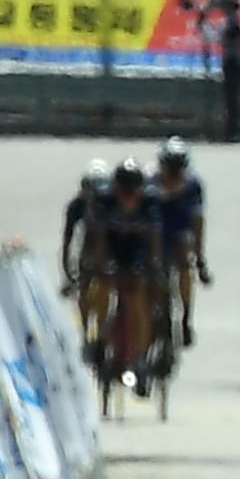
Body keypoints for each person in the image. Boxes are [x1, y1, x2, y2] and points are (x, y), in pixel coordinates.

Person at [82, 160, 168, 393]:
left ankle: (139, 357)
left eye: (133, 192)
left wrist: (154, 267)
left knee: (138, 297)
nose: (128, 196)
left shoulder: (150, 202)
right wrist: (100, 266)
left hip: (137, 248)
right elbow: (98, 240)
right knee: (101, 287)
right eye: (123, 191)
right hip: (111, 245)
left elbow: (154, 241)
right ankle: (99, 338)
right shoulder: (103, 200)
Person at [150, 137, 211, 348]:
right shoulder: (151, 182)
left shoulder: (193, 185)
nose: (173, 174)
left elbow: (198, 221)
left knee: (185, 261)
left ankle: (185, 317)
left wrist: (200, 259)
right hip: (157, 231)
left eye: (178, 168)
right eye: (170, 167)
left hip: (179, 231)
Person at [59, 156, 113, 355]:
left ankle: (105, 331)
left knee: (107, 289)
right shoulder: (76, 206)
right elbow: (68, 242)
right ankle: (85, 332)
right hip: (89, 249)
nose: (94, 199)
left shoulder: (113, 204)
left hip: (111, 248)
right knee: (83, 290)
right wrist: (68, 274)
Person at [212, 0, 240, 142]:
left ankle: (233, 130)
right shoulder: (230, 23)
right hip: (233, 63)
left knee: (232, 99)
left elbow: (230, 42)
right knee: (231, 99)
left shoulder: (233, 24)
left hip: (233, 63)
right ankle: (232, 128)